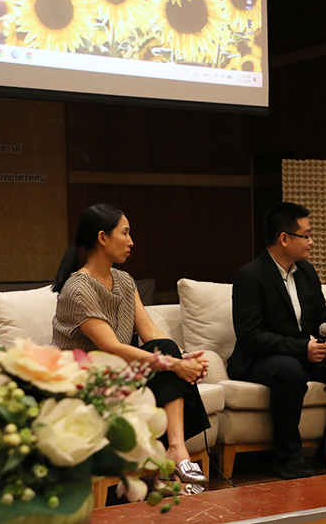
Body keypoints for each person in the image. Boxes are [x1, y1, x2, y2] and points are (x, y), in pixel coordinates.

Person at [52, 204, 211, 491]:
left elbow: (149, 331)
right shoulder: (78, 289)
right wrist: (175, 364)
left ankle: (176, 450)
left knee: (166, 349)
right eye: (124, 233)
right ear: (102, 238)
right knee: (168, 364)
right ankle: (171, 463)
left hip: (121, 373)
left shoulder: (124, 281)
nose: (131, 241)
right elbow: (111, 347)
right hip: (86, 378)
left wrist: (182, 357)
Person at [228, 202, 326, 479]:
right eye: (306, 235)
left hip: (301, 353)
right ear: (284, 238)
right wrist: (302, 348)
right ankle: (287, 456)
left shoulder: (306, 272)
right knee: (289, 370)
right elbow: (250, 335)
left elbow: (321, 321)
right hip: (260, 359)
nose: (311, 242)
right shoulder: (250, 276)